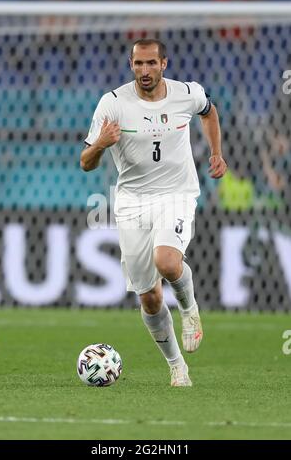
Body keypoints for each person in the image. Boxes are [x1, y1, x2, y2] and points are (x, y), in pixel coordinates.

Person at [81, 39, 227, 387]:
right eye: (137, 64)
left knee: (167, 260)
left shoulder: (186, 93)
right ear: (131, 65)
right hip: (132, 202)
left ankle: (190, 310)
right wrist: (101, 143)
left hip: (176, 194)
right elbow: (85, 162)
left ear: (164, 63)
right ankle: (177, 367)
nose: (144, 71)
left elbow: (209, 111)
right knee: (149, 297)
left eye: (150, 63)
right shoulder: (112, 104)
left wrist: (216, 152)